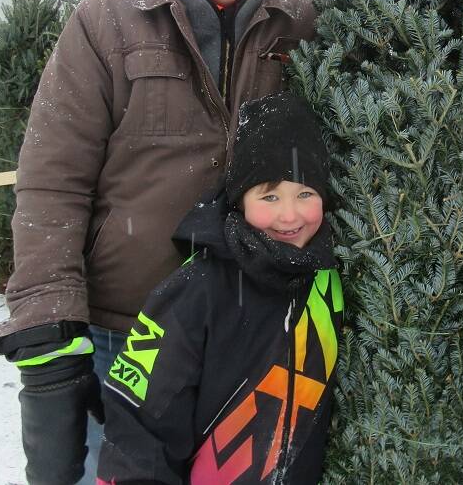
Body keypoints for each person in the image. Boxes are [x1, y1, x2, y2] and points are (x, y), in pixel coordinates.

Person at [0, 0, 317, 485]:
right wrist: (47, 314)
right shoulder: (107, 22)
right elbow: (53, 177)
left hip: (250, 329)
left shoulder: (302, 27)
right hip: (124, 330)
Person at [97, 91, 341, 484]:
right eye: (270, 195)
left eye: (305, 194)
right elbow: (140, 423)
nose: (290, 214)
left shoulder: (326, 279)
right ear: (239, 200)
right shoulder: (198, 288)